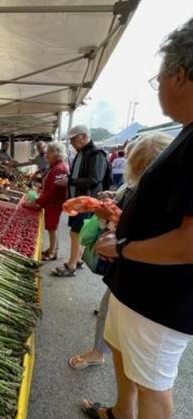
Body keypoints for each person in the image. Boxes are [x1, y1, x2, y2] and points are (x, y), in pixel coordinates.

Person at [83, 17, 193, 419]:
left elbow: (189, 241)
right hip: (138, 291)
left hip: (164, 300)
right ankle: (122, 415)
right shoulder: (187, 132)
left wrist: (124, 247)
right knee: (125, 352)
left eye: (159, 77)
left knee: (155, 380)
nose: (159, 88)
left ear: (180, 75)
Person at [68, 132, 172, 370]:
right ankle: (122, 404)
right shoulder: (147, 189)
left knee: (148, 371)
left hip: (141, 279)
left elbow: (142, 233)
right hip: (133, 275)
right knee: (114, 322)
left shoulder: (161, 196)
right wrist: (113, 207)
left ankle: (98, 353)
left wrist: (114, 234)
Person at [52, 125, 108, 276]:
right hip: (79, 201)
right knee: (78, 232)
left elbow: (93, 179)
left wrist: (70, 182)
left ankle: (71, 267)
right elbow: (80, 175)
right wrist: (69, 179)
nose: (71, 143)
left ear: (83, 136)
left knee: (76, 233)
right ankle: (77, 260)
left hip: (87, 202)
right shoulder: (82, 153)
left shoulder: (96, 154)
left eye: (73, 139)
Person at [25, 142, 68, 260]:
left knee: (52, 227)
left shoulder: (59, 168)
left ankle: (52, 253)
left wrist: (37, 202)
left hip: (54, 203)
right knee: (52, 227)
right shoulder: (56, 166)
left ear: (56, 153)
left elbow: (53, 192)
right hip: (52, 202)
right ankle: (52, 249)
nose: (46, 155)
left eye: (48, 152)